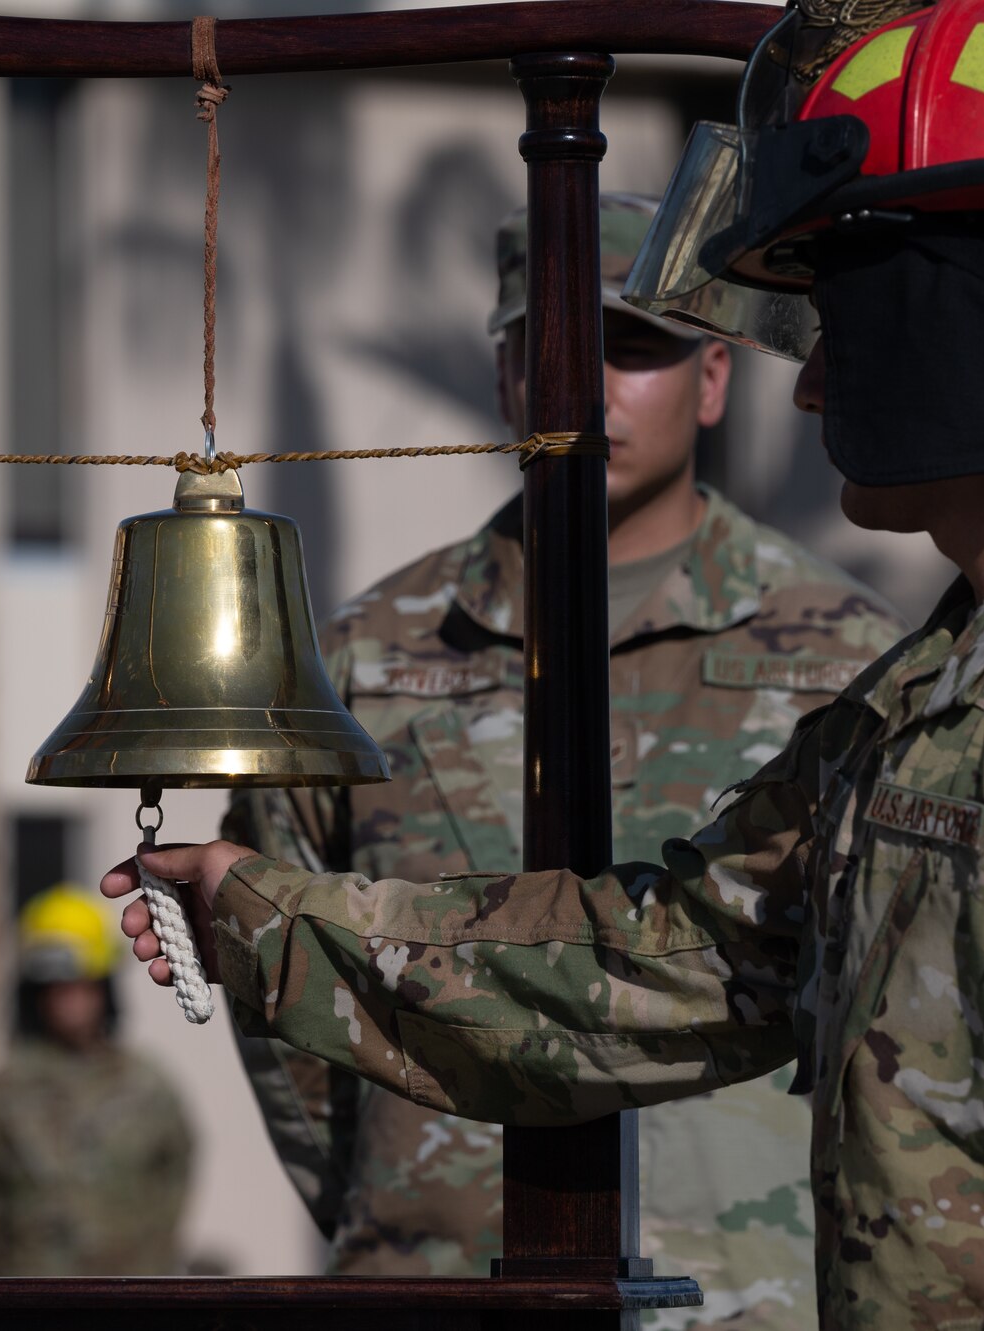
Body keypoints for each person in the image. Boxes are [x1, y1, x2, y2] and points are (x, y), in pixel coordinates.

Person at [106, 1, 984, 1325]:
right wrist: (263, 906)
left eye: (841, 318)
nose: (810, 391)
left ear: (960, 321)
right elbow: (651, 967)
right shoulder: (943, 696)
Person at [222, 191, 905, 1329]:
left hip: (753, 1289)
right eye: (550, 347)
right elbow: (278, 1012)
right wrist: (398, 1209)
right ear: (501, 372)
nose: (588, 385)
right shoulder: (362, 657)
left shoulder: (845, 658)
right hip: (441, 1288)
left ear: (714, 379)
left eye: (633, 348)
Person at [0, 885, 194, 1276]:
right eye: (56, 989)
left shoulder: (148, 1086)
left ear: (104, 989)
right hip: (31, 1300)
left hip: (131, 1299)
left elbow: (175, 1176)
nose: (70, 1001)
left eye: (82, 985)